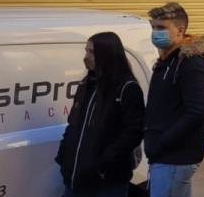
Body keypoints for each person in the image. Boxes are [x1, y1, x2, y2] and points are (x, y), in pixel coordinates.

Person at [56, 32, 146, 197]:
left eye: (91, 52)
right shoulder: (87, 84)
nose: (86, 56)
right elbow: (74, 123)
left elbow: (133, 132)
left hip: (106, 182)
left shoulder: (127, 88)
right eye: (86, 51)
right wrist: (63, 155)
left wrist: (103, 164)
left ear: (106, 54)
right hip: (76, 179)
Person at [145, 2, 204, 197]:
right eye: (153, 27)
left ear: (180, 30)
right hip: (166, 155)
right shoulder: (167, 61)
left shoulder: (189, 63)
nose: (155, 33)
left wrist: (162, 143)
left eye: (161, 28)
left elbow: (198, 112)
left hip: (175, 156)